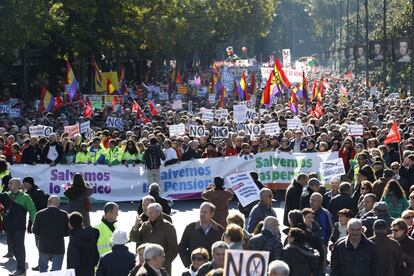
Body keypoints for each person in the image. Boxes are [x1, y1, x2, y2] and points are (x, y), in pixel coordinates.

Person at [0, 178, 37, 276]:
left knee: (19, 247)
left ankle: (21, 270)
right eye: (10, 183)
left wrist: (35, 223)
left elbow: (32, 210)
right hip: (8, 227)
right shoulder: (5, 195)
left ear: (18, 185)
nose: (10, 185)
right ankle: (21, 269)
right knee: (13, 247)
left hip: (19, 227)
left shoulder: (25, 197)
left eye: (12, 183)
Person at [129, 203, 178, 275]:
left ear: (158, 213)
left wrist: (161, 264)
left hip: (163, 268)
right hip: (146, 269)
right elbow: (135, 238)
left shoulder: (168, 227)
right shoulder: (145, 225)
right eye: (148, 213)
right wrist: (135, 226)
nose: (149, 215)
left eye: (151, 213)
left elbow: (173, 249)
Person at [178, 202, 224, 268]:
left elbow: (224, 251)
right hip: (195, 268)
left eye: (205, 212)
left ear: (212, 214)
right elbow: (181, 247)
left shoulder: (219, 230)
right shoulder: (190, 228)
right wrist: (188, 264)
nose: (202, 214)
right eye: (201, 212)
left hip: (213, 269)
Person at [32, 196, 69, 273]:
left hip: (44, 246)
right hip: (58, 247)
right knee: (57, 271)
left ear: (48, 201)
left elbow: (35, 230)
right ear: (58, 204)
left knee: (43, 269)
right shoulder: (64, 214)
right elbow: (67, 231)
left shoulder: (39, 214)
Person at [67, 212, 100, 276]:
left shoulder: (74, 238)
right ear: (81, 222)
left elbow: (73, 259)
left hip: (78, 272)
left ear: (70, 224)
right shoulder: (91, 235)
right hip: (90, 270)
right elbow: (96, 254)